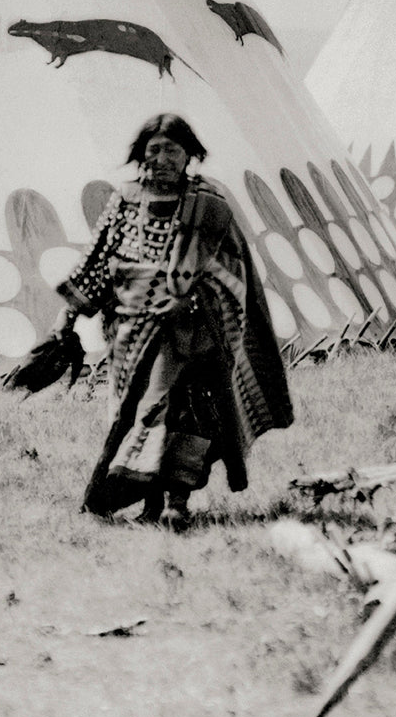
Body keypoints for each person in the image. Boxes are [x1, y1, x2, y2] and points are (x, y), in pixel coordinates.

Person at [52, 113, 293, 529]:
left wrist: (193, 299)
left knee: (184, 413)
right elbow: (97, 262)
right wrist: (68, 315)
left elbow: (233, 271)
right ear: (141, 154)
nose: (163, 158)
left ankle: (176, 502)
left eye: (173, 150)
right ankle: (148, 501)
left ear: (190, 155)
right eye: (154, 150)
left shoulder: (210, 206)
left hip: (192, 333)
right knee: (133, 414)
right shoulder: (124, 200)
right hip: (129, 333)